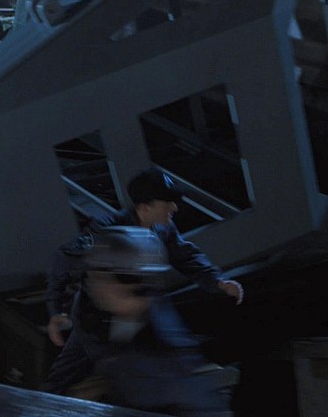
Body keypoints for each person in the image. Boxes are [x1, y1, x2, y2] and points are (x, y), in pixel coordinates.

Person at [43, 168, 244, 395]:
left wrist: (218, 282)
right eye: (167, 203)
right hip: (96, 323)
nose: (174, 208)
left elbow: (186, 256)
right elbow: (64, 258)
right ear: (144, 208)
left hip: (136, 320)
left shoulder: (164, 229)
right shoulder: (106, 230)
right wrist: (56, 309)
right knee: (72, 378)